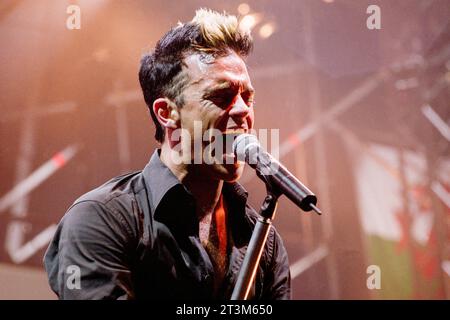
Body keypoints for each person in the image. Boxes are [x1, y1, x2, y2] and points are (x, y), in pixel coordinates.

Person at [44, 8, 291, 300]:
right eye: (221, 97)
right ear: (167, 113)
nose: (242, 110)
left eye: (247, 97)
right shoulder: (100, 219)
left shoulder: (262, 240)